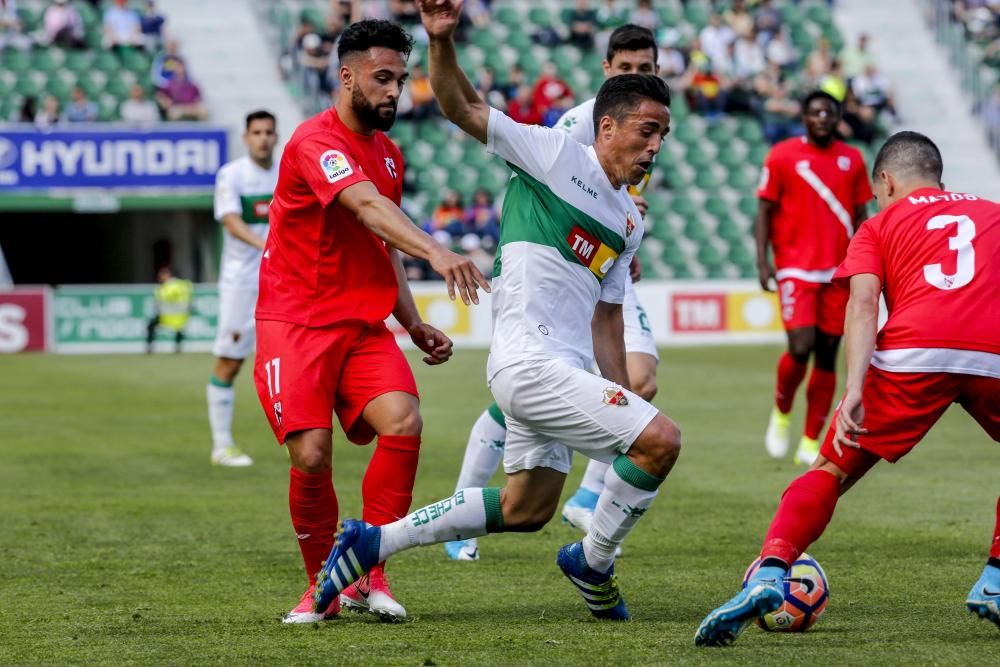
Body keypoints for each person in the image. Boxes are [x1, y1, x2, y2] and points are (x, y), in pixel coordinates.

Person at [312, 0, 679, 623]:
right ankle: (593, 563)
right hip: (529, 362)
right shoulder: (557, 155)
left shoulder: (628, 220)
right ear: (607, 127)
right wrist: (441, 39)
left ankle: (373, 542)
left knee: (525, 509)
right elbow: (463, 107)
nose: (655, 147)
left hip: (565, 370)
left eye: (664, 135)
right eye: (646, 131)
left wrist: (619, 395)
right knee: (663, 440)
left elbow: (608, 319)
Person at [695, 131, 1000, 646]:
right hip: (992, 349)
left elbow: (862, 306)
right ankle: (994, 578)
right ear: (939, 178)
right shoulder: (992, 212)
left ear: (885, 181)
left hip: (911, 352)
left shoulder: (878, 225)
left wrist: (854, 385)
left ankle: (770, 572)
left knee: (832, 470)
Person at [252, 18, 489, 624]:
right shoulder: (312, 142)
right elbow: (364, 205)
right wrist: (437, 249)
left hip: (361, 326)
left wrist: (410, 323)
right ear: (347, 76)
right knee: (310, 455)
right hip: (295, 323)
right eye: (382, 79)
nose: (395, 92)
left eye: (401, 80)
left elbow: (379, 243)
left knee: (404, 420)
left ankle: (368, 572)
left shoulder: (389, 154)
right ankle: (322, 588)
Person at [444, 23, 665, 562]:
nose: (637, 76)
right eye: (628, 68)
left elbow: (618, 206)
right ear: (608, 70)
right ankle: (580, 533)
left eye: (647, 68)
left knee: (639, 383)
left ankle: (588, 500)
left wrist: (619, 237)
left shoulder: (652, 126)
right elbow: (534, 172)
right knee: (535, 389)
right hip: (562, 262)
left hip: (608, 259)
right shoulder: (576, 128)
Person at [758, 90, 872, 465]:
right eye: (815, 112)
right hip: (795, 267)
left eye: (829, 112)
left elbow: (860, 216)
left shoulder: (852, 159)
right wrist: (763, 260)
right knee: (800, 345)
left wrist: (865, 264)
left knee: (827, 354)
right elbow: (764, 210)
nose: (822, 117)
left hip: (838, 271)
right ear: (803, 118)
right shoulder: (782, 155)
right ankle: (782, 413)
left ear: (837, 117)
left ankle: (810, 439)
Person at [205, 110, 279, 468]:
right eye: (257, 132)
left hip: (283, 282)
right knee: (230, 361)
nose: (263, 138)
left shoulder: (288, 172)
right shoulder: (231, 175)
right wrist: (266, 246)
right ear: (246, 137)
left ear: (276, 137)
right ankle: (222, 445)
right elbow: (232, 222)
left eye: (269, 132)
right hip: (242, 283)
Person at [145, 266, 193, 354]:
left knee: (179, 329)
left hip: (175, 315)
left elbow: (181, 295)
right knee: (151, 325)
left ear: (169, 275)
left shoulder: (173, 286)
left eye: (163, 275)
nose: (161, 277)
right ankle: (150, 347)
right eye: (160, 275)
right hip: (166, 316)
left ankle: (177, 348)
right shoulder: (163, 287)